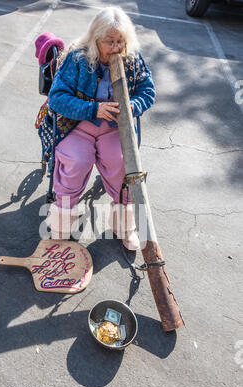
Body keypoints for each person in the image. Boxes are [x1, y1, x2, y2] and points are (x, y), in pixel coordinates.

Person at [42, 6, 156, 250]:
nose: (116, 48)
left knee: (122, 163)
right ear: (96, 39)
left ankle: (125, 227)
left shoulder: (132, 59)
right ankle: (61, 228)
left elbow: (148, 91)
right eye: (110, 42)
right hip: (77, 126)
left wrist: (130, 106)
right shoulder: (77, 59)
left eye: (120, 41)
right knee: (76, 161)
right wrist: (93, 109)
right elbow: (57, 98)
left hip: (115, 128)